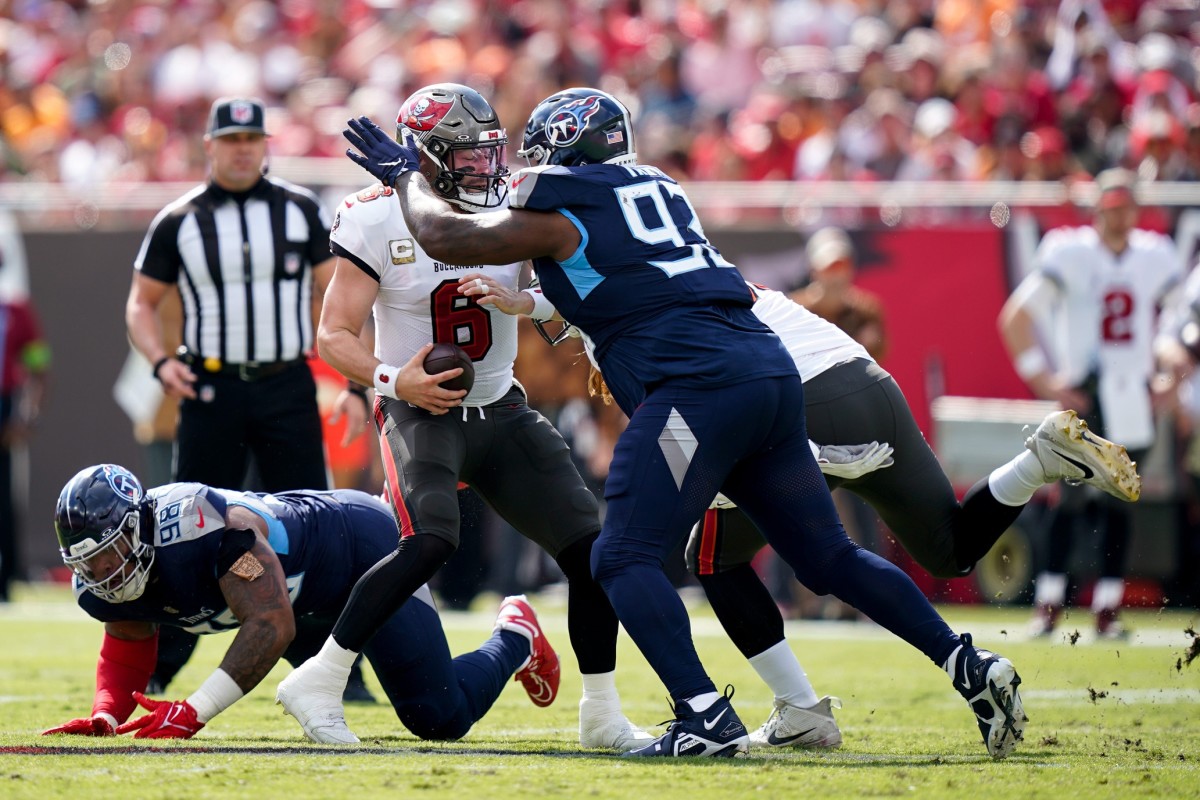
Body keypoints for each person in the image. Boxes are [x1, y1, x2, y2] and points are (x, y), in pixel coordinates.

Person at [339, 86, 1029, 759]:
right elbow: (617, 284)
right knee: (828, 557)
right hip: (768, 372)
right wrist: (538, 310)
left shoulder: (560, 204)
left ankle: (702, 713)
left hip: (697, 390)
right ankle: (966, 661)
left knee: (618, 556)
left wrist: (407, 175)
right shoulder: (662, 192)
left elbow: (440, 231)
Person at [273, 84, 650, 752]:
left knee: (592, 553)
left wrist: (525, 300)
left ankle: (601, 710)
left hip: (502, 406)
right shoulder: (373, 216)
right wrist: (396, 379)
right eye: (469, 158)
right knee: (431, 540)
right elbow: (335, 334)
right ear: (424, 156)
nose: (487, 169)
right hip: (421, 408)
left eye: (489, 154)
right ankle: (320, 678)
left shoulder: (516, 204)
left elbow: (570, 306)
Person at [673, 281, 1142, 748]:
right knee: (950, 549)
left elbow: (684, 453)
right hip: (866, 382)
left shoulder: (642, 306)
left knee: (725, 556)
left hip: (796, 409)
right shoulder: (699, 269)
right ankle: (1039, 461)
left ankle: (801, 706)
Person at [124, 96, 369, 694]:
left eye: (251, 140)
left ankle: (333, 668)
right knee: (184, 526)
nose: (241, 150)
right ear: (210, 146)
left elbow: (341, 300)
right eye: (230, 140)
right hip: (210, 388)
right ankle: (160, 667)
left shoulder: (299, 210)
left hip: (286, 384)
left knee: (317, 524)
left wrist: (359, 384)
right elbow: (140, 303)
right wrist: (160, 363)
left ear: (265, 145)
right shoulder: (179, 219)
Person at [42, 463, 557, 741]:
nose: (100, 574)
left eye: (109, 556)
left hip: (359, 552)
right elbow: (128, 638)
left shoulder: (204, 529)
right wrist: (107, 713)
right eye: (87, 564)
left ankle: (515, 634)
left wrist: (194, 711)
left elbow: (269, 624)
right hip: (300, 602)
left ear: (138, 527)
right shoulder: (99, 586)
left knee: (439, 717)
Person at [999, 167, 1181, 638]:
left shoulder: (1152, 256)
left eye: (1126, 206)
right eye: (1112, 206)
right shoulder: (1071, 251)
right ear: (1098, 208)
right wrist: (1044, 379)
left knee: (1121, 504)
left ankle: (1106, 607)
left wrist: (1172, 376)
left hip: (1132, 395)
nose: (1119, 216)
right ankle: (1050, 602)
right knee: (1070, 502)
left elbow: (1180, 325)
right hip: (1084, 392)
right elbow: (1015, 318)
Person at [0, 288, 50, 602]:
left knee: (4, 497)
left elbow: (38, 365)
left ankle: (6, 578)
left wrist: (27, 416)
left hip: (4, 408)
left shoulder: (15, 309)